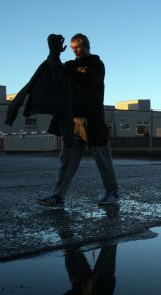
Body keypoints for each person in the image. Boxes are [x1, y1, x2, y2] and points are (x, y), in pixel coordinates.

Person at [34, 33, 119, 208]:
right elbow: (55, 71)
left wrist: (70, 70)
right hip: (74, 121)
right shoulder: (70, 65)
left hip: (93, 120)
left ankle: (112, 193)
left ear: (87, 45)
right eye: (73, 48)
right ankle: (58, 196)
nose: (76, 51)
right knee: (67, 161)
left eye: (78, 46)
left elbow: (87, 79)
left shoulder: (96, 64)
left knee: (103, 159)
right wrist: (54, 53)